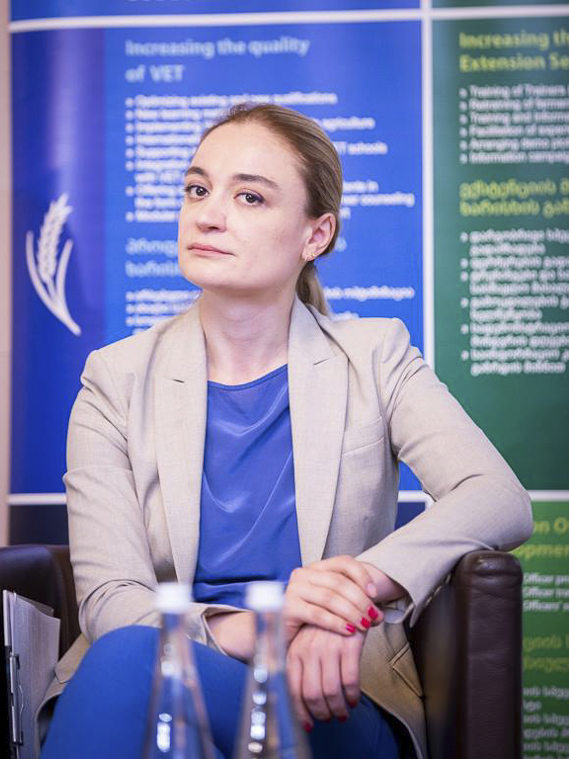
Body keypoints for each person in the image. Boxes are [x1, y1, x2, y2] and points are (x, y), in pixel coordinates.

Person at [39, 104, 532, 759]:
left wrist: (347, 600)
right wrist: (267, 626)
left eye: (249, 196)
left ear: (315, 234)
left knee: (137, 667)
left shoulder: (375, 355)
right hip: (154, 677)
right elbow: (111, 602)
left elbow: (497, 495)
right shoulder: (115, 378)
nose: (207, 214)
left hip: (328, 693)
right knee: (136, 661)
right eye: (197, 189)